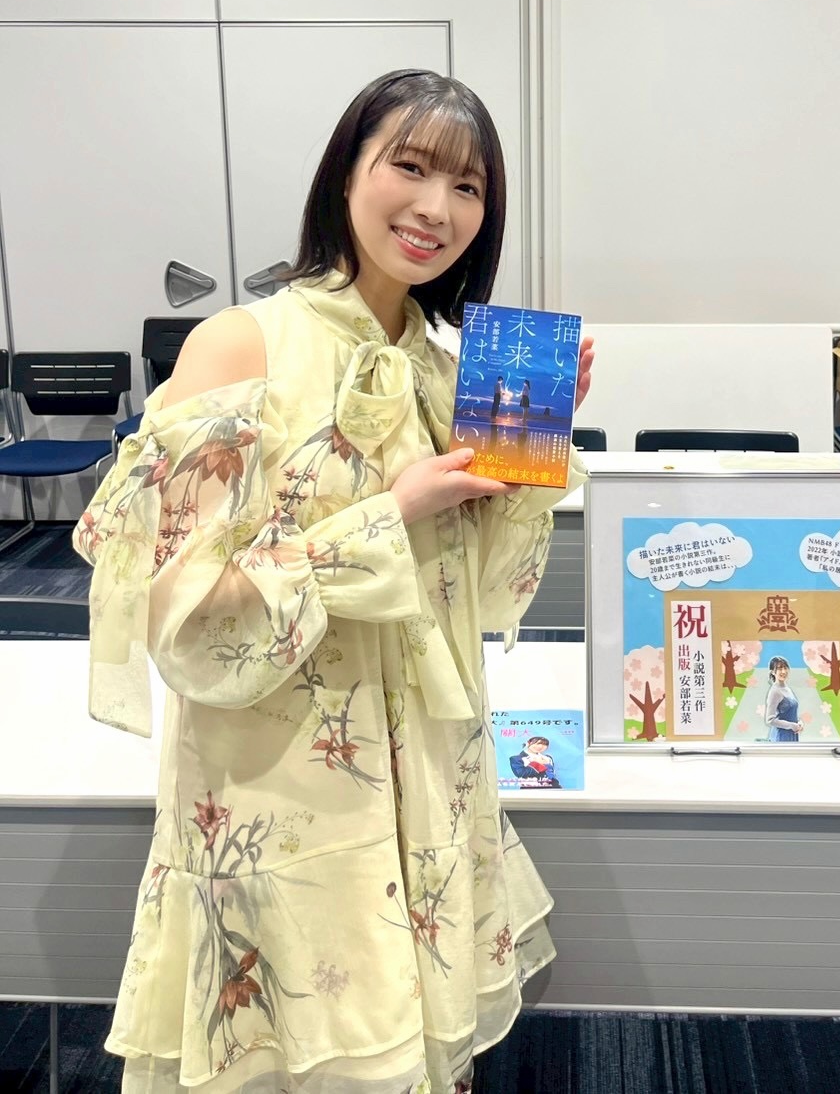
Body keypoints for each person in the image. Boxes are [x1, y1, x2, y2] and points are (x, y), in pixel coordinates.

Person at [73, 69, 595, 1094]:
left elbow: (486, 598)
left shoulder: (449, 369)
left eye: (468, 187)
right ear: (346, 172)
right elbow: (184, 625)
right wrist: (387, 513)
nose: (436, 207)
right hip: (282, 782)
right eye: (410, 166)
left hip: (428, 772)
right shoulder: (240, 344)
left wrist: (533, 455)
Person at [764, 656, 803, 742]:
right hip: (780, 737)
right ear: (773, 672)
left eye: (785, 668)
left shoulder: (787, 688)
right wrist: (791, 725)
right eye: (779, 669)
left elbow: (790, 712)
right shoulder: (774, 691)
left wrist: (799, 722)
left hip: (792, 734)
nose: (783, 671)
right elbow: (770, 720)